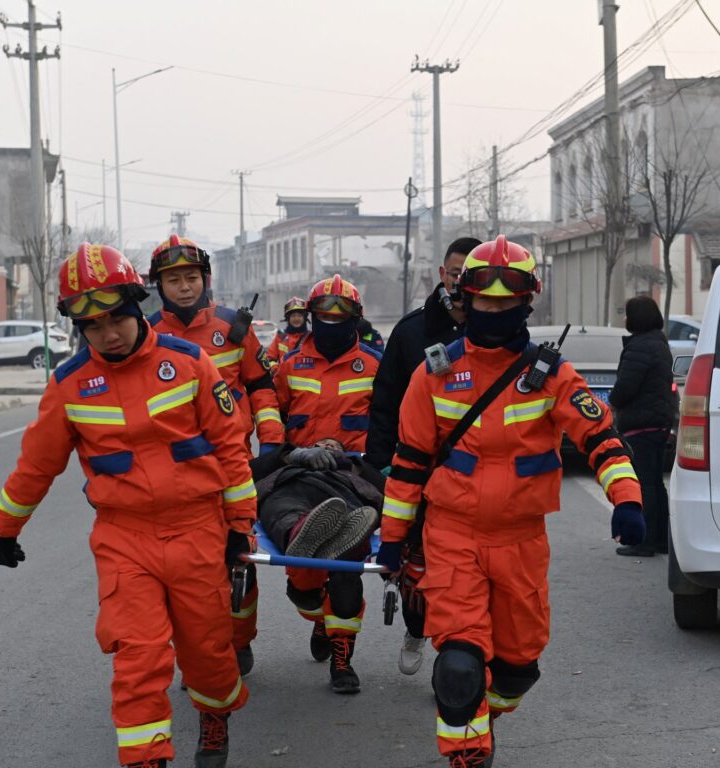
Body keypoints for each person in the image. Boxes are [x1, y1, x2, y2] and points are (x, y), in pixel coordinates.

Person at [375, 235, 645, 767]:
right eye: (484, 301)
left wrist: (628, 500)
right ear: (466, 298)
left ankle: (485, 714)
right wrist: (392, 541)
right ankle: (467, 752)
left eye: (506, 302)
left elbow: (601, 440)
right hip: (452, 537)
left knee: (519, 666)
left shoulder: (551, 376)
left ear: (526, 302)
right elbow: (407, 467)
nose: (494, 311)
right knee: (458, 666)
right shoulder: (434, 375)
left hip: (520, 542)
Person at [0, 244, 257, 768]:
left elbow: (230, 449)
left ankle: (215, 713)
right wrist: (5, 528)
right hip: (124, 538)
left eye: (117, 319)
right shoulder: (68, 387)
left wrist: (240, 525)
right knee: (138, 657)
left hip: (197, 531)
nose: (108, 333)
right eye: (93, 326)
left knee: (209, 656)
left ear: (137, 305)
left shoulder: (190, 363)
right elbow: (36, 467)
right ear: (78, 329)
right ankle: (146, 759)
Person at [147, 234, 283, 675]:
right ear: (159, 286)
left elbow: (262, 387)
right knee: (186, 574)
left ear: (205, 279)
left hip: (232, 468)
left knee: (237, 559)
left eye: (191, 277)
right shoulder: (146, 336)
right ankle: (201, 657)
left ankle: (239, 643)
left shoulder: (234, 330)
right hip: (173, 477)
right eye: (173, 280)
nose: (184, 287)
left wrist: (273, 441)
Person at [366, 235, 480, 676]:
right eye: (456, 274)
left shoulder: (493, 334)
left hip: (471, 482)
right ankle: (417, 627)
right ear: (442, 275)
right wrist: (380, 464)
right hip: (415, 472)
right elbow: (384, 401)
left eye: (471, 277)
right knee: (416, 570)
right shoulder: (411, 332)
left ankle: (457, 665)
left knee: (463, 575)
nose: (461, 284)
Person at [272, 274, 382, 694]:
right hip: (299, 470)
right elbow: (270, 422)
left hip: (351, 475)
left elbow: (390, 427)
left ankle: (342, 658)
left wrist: (352, 452)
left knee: (346, 562)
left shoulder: (373, 366)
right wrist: (289, 454)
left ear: (355, 319)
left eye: (341, 316)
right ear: (312, 318)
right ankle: (316, 613)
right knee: (299, 563)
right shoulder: (290, 366)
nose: (332, 323)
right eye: (323, 316)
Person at [608, 295, 678, 557]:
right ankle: (660, 539)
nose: (625, 319)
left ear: (637, 317)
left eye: (627, 314)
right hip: (658, 422)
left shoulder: (640, 346)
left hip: (642, 423)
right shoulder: (658, 343)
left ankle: (645, 541)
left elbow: (626, 386)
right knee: (655, 483)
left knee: (644, 484)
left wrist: (613, 403)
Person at [250, 440, 383, 559]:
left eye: (335, 446)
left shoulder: (354, 466)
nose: (329, 446)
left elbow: (386, 489)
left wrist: (353, 465)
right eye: (323, 443)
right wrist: (290, 456)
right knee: (283, 509)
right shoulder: (289, 459)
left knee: (351, 512)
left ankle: (344, 540)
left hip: (341, 491)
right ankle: (299, 534)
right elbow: (251, 470)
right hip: (290, 486)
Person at [267, 296, 309, 364]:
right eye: (293, 316)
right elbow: (270, 358)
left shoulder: (310, 337)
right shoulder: (281, 337)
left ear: (305, 318)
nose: (296, 319)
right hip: (284, 374)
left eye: (299, 316)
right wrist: (275, 369)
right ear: (288, 318)